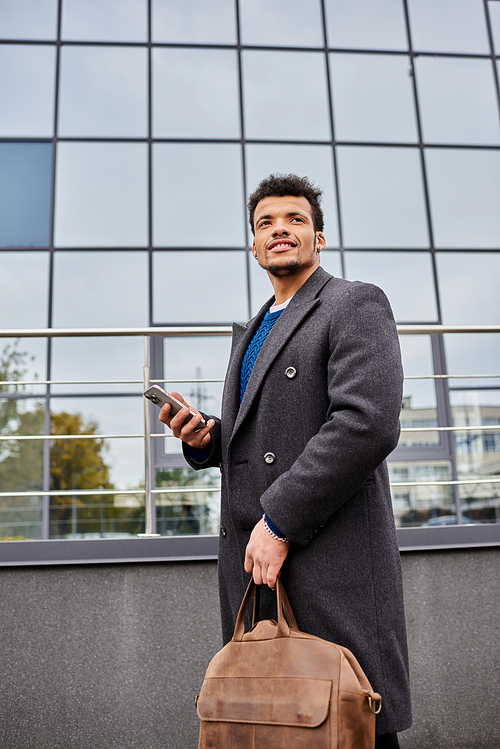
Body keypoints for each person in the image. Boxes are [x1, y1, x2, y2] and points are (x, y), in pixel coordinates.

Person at [159, 174, 412, 747]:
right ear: (253, 246)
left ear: (319, 238)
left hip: (326, 554)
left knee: (348, 719)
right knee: (272, 727)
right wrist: (207, 440)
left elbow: (366, 422)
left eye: (295, 220)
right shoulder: (250, 331)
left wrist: (279, 521)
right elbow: (263, 440)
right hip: (255, 563)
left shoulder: (353, 302)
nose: (280, 230)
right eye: (265, 223)